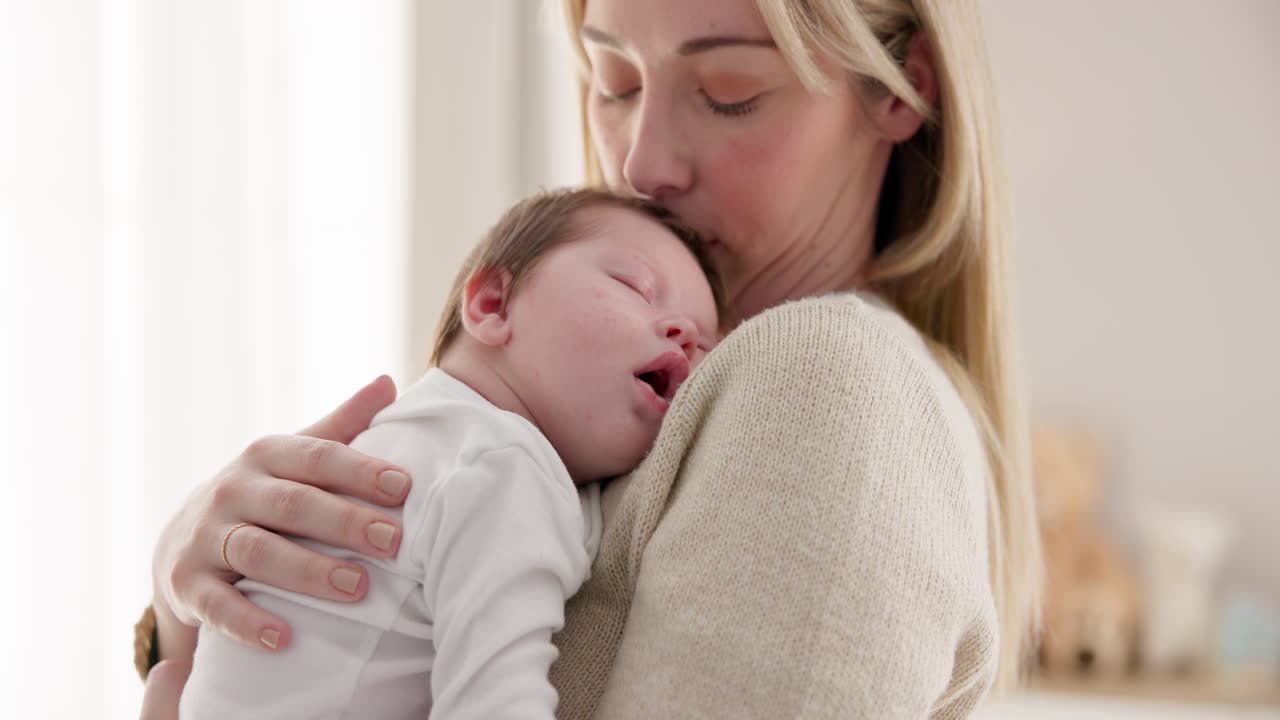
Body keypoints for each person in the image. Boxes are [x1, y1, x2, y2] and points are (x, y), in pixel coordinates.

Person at [138, 0, 1044, 717]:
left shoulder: (828, 380)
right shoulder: (589, 417)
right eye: (612, 81)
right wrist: (186, 600)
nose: (642, 165)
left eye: (729, 89)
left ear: (899, 90)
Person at [176, 188, 721, 719]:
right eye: (636, 285)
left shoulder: (427, 435)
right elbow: (493, 702)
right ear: (492, 305)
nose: (684, 334)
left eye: (705, 348)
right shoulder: (500, 464)